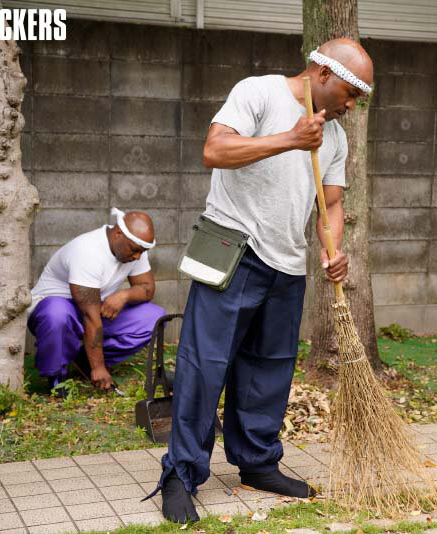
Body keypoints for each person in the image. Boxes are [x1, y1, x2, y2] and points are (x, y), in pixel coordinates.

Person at [151, 39, 373, 523]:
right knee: (204, 366)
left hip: (287, 264)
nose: (352, 105)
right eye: (351, 92)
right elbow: (215, 150)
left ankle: (256, 463)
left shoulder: (334, 136)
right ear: (323, 73)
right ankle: (181, 474)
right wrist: (290, 139)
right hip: (232, 248)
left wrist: (332, 248)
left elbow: (332, 204)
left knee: (268, 370)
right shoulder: (259, 92)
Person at [27, 208, 164, 392]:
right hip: (56, 308)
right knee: (57, 314)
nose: (138, 256)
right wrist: (98, 367)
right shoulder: (88, 251)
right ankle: (56, 376)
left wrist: (123, 295)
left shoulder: (134, 249)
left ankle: (84, 359)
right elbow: (89, 316)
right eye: (135, 250)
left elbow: (147, 288)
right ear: (118, 233)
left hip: (94, 308)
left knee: (154, 317)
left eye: (142, 251)